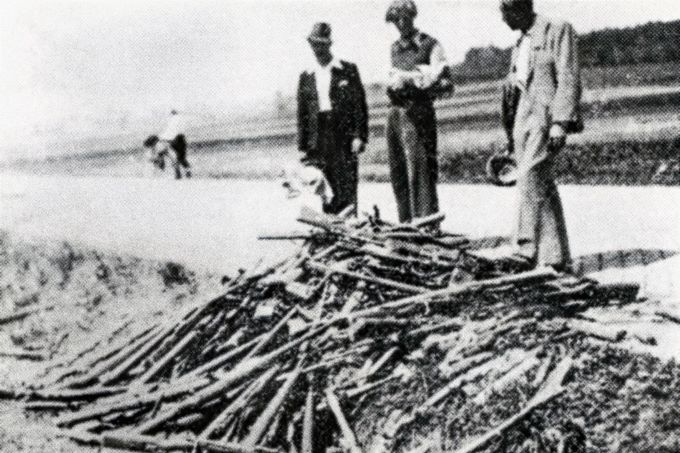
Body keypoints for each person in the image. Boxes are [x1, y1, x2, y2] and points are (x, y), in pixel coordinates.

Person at [500, 0, 583, 271]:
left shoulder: (557, 30)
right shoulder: (520, 43)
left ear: (519, 8)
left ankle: (526, 249)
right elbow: (515, 89)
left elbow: (568, 76)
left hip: (544, 118)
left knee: (531, 177)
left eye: (505, 13)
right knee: (540, 184)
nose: (503, 20)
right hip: (522, 118)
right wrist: (510, 135)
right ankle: (555, 256)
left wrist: (561, 122)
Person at [385, 0, 454, 224]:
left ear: (413, 17)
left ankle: (427, 224)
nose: (401, 24)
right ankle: (406, 224)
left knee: (421, 170)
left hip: (418, 112)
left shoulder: (430, 45)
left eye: (404, 18)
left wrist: (415, 82)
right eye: (396, 20)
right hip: (396, 112)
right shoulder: (395, 48)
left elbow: (445, 84)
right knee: (399, 172)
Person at [297, 22, 369, 215]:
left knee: (346, 185)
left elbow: (359, 106)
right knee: (324, 189)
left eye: (321, 44)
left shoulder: (347, 70)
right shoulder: (306, 75)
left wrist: (359, 136)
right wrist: (304, 148)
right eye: (313, 44)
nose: (317, 49)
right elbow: (303, 114)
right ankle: (331, 234)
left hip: (343, 135)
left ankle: (350, 231)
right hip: (318, 138)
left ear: (329, 44)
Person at [159, 110, 192, 179]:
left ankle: (177, 174)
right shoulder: (181, 120)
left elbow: (168, 133)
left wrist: (162, 139)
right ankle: (187, 171)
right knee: (182, 158)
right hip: (181, 139)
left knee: (173, 158)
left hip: (172, 140)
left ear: (171, 114)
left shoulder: (171, 121)